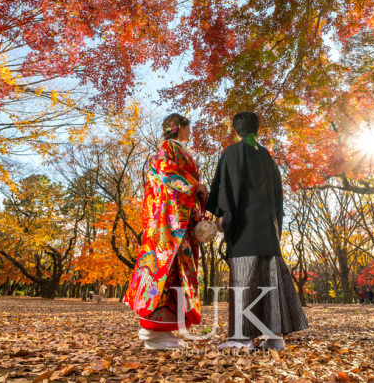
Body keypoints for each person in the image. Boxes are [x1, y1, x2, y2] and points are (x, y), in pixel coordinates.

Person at [206, 111, 308, 351]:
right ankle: (275, 337)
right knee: (271, 280)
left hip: (244, 229)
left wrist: (223, 218)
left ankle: (241, 338)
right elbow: (278, 197)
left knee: (244, 280)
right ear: (257, 129)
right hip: (269, 230)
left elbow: (227, 188)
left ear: (236, 130)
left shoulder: (232, 152)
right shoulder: (266, 156)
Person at [123, 113, 210, 350]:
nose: (190, 133)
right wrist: (195, 186)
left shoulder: (178, 149)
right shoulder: (165, 149)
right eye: (187, 128)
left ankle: (162, 330)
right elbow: (167, 173)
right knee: (165, 270)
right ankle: (153, 329)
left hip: (179, 221)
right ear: (177, 127)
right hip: (168, 222)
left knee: (175, 272)